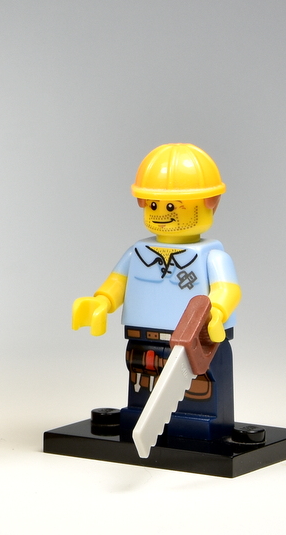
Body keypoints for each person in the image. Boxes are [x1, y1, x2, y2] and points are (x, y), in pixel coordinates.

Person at [72, 143, 241, 442]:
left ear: (210, 203)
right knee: (141, 377)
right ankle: (139, 419)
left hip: (199, 340)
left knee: (202, 383)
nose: (161, 213)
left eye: (172, 206)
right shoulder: (138, 253)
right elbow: (118, 282)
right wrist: (102, 301)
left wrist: (217, 312)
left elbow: (227, 289)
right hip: (143, 336)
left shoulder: (212, 257)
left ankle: (200, 425)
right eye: (153, 205)